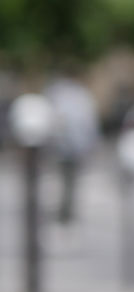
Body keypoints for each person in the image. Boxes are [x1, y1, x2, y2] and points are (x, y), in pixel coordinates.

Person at [45, 75, 99, 225]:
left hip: (65, 146)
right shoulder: (81, 96)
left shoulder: (58, 95)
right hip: (71, 146)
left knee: (66, 181)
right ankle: (66, 211)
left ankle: (65, 211)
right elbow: (89, 123)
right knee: (69, 181)